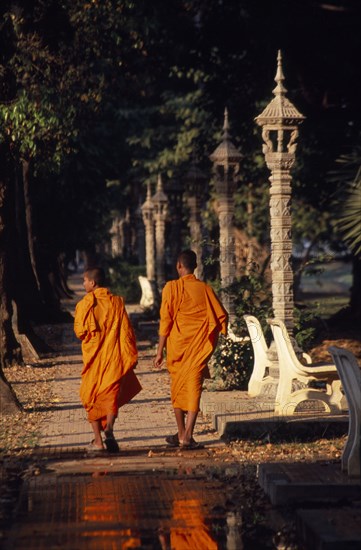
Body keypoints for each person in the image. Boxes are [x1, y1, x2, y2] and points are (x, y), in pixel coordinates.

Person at [153, 250, 228, 449]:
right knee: (194, 390)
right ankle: (186, 436)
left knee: (177, 390)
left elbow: (166, 321)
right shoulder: (205, 289)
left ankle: (182, 434)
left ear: (179, 265)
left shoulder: (171, 288)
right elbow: (221, 317)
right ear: (194, 266)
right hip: (197, 349)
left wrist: (159, 351)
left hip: (177, 347)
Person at [74, 266, 141, 453]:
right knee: (111, 395)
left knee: (90, 396)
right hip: (113, 358)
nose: (83, 284)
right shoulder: (117, 303)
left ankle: (98, 441)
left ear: (92, 283)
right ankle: (109, 429)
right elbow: (127, 332)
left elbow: (80, 332)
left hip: (94, 360)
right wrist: (130, 353)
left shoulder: (84, 305)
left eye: (84, 281)